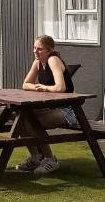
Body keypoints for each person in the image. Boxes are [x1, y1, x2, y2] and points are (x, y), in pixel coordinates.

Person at [15, 34, 78, 175]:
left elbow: (60, 87)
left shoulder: (53, 60)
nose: (35, 51)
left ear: (49, 50)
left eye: (40, 49)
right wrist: (38, 87)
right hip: (50, 107)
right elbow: (25, 84)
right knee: (20, 118)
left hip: (67, 110)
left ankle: (50, 159)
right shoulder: (37, 62)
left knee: (31, 122)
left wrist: (44, 87)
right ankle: (36, 157)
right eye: (34, 48)